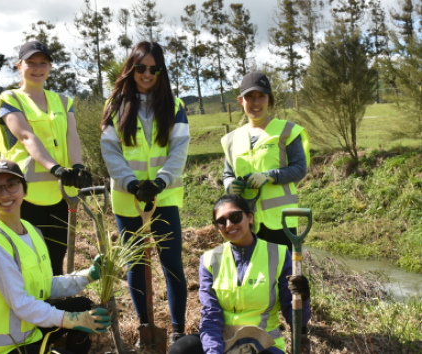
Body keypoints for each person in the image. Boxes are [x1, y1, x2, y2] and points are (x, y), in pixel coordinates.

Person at [0, 160, 111, 354]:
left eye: (12, 185)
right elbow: (21, 304)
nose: (5, 194)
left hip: (26, 332)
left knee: (82, 306)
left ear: (24, 190)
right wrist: (70, 320)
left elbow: (45, 286)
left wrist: (88, 275)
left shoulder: (31, 232)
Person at [100, 41, 189, 343]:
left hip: (165, 196)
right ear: (132, 68)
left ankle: (177, 331)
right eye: (141, 67)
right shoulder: (115, 106)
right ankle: (144, 328)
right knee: (136, 263)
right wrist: (132, 184)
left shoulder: (175, 107)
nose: (147, 73)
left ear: (161, 71)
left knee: (172, 263)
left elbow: (179, 151)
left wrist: (161, 182)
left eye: (154, 68)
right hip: (127, 198)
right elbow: (111, 151)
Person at [0, 41, 92, 275]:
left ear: (50, 67)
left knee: (56, 256)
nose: (37, 68)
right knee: (28, 260)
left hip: (60, 194)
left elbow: (71, 136)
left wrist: (77, 167)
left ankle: (54, 308)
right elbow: (26, 136)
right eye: (31, 63)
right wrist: (55, 168)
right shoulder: (11, 99)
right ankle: (30, 309)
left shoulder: (64, 101)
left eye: (43, 63)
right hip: (23, 194)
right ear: (19, 66)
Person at [168, 194, 311, 354]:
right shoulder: (210, 260)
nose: (229, 224)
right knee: (180, 349)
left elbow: (295, 320)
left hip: (264, 343)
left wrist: (303, 297)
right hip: (224, 338)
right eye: (221, 221)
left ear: (250, 217)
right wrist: (214, 352)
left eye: (235, 216)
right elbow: (211, 316)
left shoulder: (279, 255)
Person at [221, 72, 310, 252]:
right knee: (253, 277)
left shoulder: (287, 131)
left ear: (270, 99)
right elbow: (228, 173)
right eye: (250, 97)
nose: (256, 102)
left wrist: (269, 177)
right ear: (241, 100)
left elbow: (300, 169)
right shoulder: (231, 139)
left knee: (283, 277)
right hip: (245, 223)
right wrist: (230, 185)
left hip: (280, 223)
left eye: (262, 96)